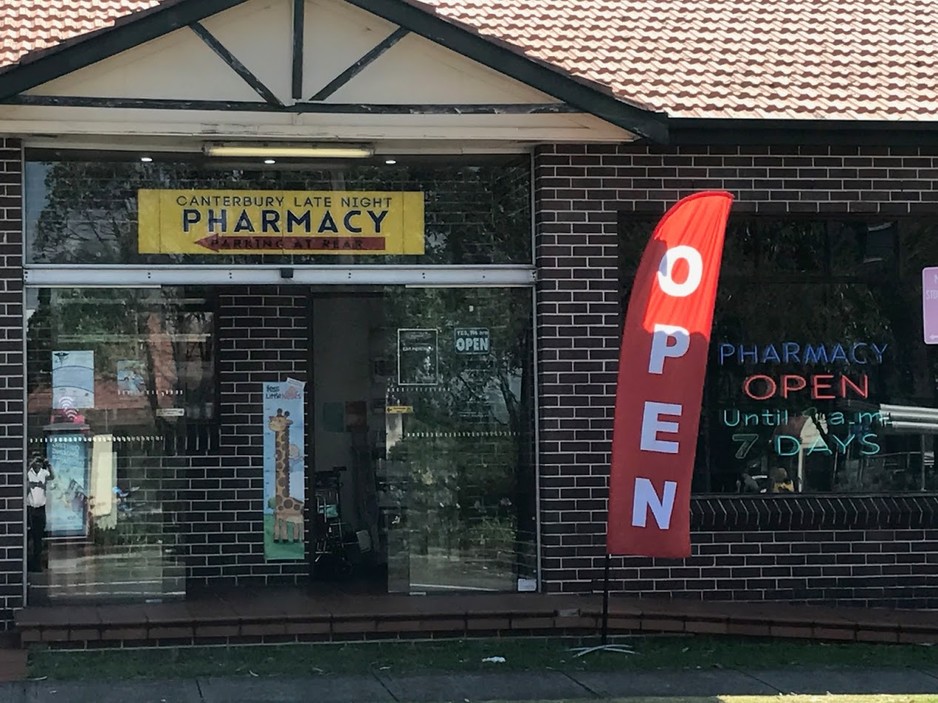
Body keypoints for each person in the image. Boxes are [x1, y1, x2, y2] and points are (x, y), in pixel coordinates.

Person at [26, 452, 53, 572]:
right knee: (29, 537)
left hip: (41, 508)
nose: (37, 463)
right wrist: (32, 462)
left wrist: (48, 464)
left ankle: (37, 563)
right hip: (31, 509)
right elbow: (22, 473)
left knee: (39, 537)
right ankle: (29, 562)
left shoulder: (43, 472)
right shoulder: (29, 472)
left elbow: (52, 476)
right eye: (35, 461)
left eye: (39, 461)